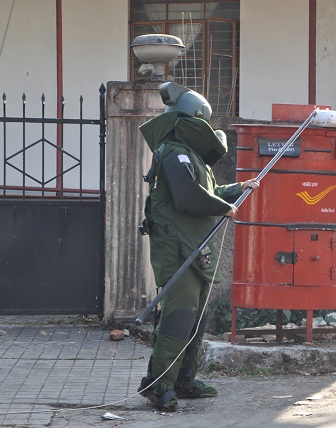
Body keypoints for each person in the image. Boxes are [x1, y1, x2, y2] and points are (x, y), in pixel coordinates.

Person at [137, 82, 259, 412]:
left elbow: (209, 189)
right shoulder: (174, 152)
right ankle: (158, 385)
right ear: (192, 121)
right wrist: (222, 207)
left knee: (196, 319)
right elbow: (189, 196)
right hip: (177, 250)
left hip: (195, 249)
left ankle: (184, 381)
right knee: (179, 318)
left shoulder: (191, 158)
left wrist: (237, 189)